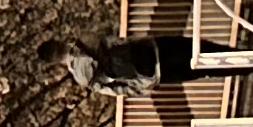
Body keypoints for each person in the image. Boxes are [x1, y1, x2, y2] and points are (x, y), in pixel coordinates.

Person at [60, 30, 202, 93]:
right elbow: (118, 41)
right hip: (151, 48)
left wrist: (145, 86)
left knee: (200, 71)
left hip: (150, 74)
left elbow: (119, 90)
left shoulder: (83, 79)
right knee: (199, 48)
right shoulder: (84, 41)